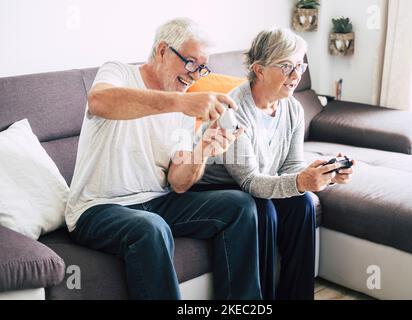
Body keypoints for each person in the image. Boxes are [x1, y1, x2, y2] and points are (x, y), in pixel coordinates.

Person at [65, 18, 262, 300]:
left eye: (201, 67)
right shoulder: (119, 72)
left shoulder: (183, 105)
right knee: (151, 227)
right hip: (97, 207)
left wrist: (202, 151)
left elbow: (178, 183)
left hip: (157, 200)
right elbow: (100, 102)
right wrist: (181, 103)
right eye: (190, 62)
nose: (195, 75)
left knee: (240, 206)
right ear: (161, 51)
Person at [193, 28, 355, 300]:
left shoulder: (292, 109)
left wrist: (319, 175)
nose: (296, 76)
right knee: (263, 210)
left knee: (303, 203)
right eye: (287, 67)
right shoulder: (233, 110)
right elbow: (249, 181)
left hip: (255, 184)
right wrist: (301, 181)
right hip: (217, 190)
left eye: (300, 66)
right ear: (259, 70)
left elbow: (291, 167)